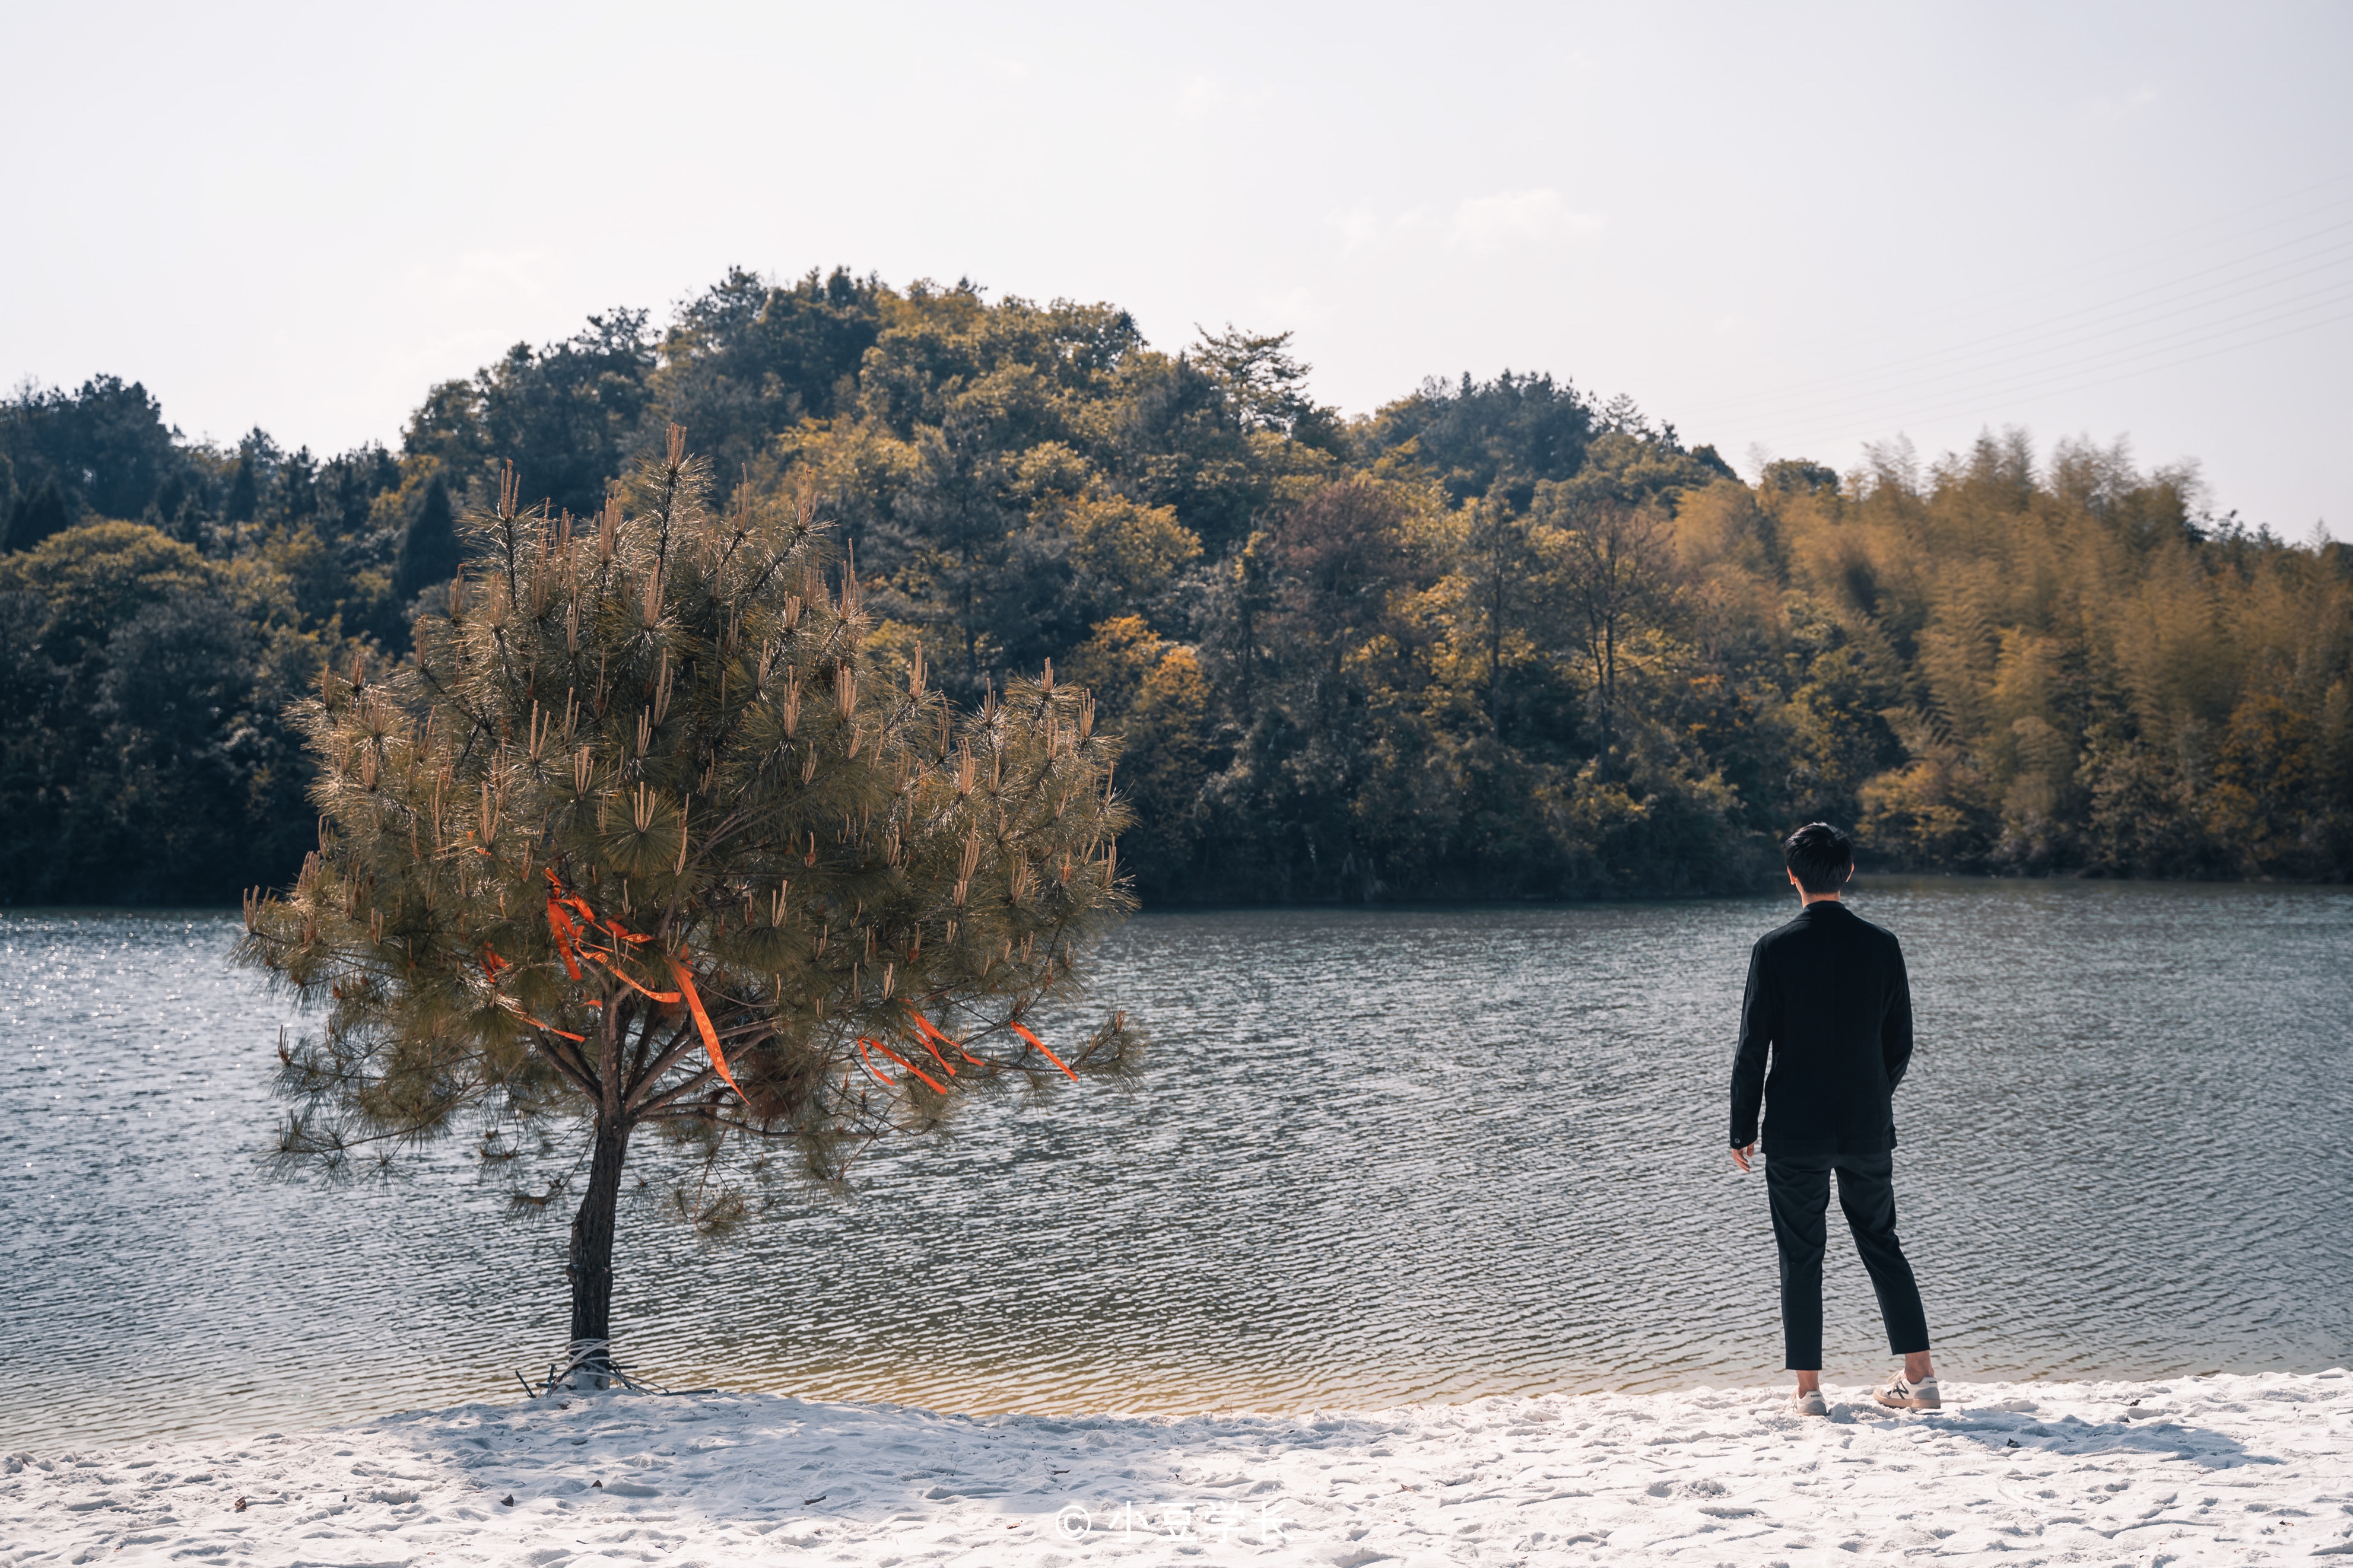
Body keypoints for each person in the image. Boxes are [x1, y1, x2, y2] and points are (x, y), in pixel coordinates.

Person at [1728, 822, 1937, 1417]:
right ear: (1846, 872)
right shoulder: (1881, 945)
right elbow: (1899, 1042)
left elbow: (1752, 1048)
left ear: (1791, 875)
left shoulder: (1773, 948)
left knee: (1800, 1255)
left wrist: (1740, 1127)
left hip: (1794, 1128)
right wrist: (1873, 1093)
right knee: (1882, 1244)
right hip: (1865, 1124)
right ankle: (1919, 1380)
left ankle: (1808, 1393)